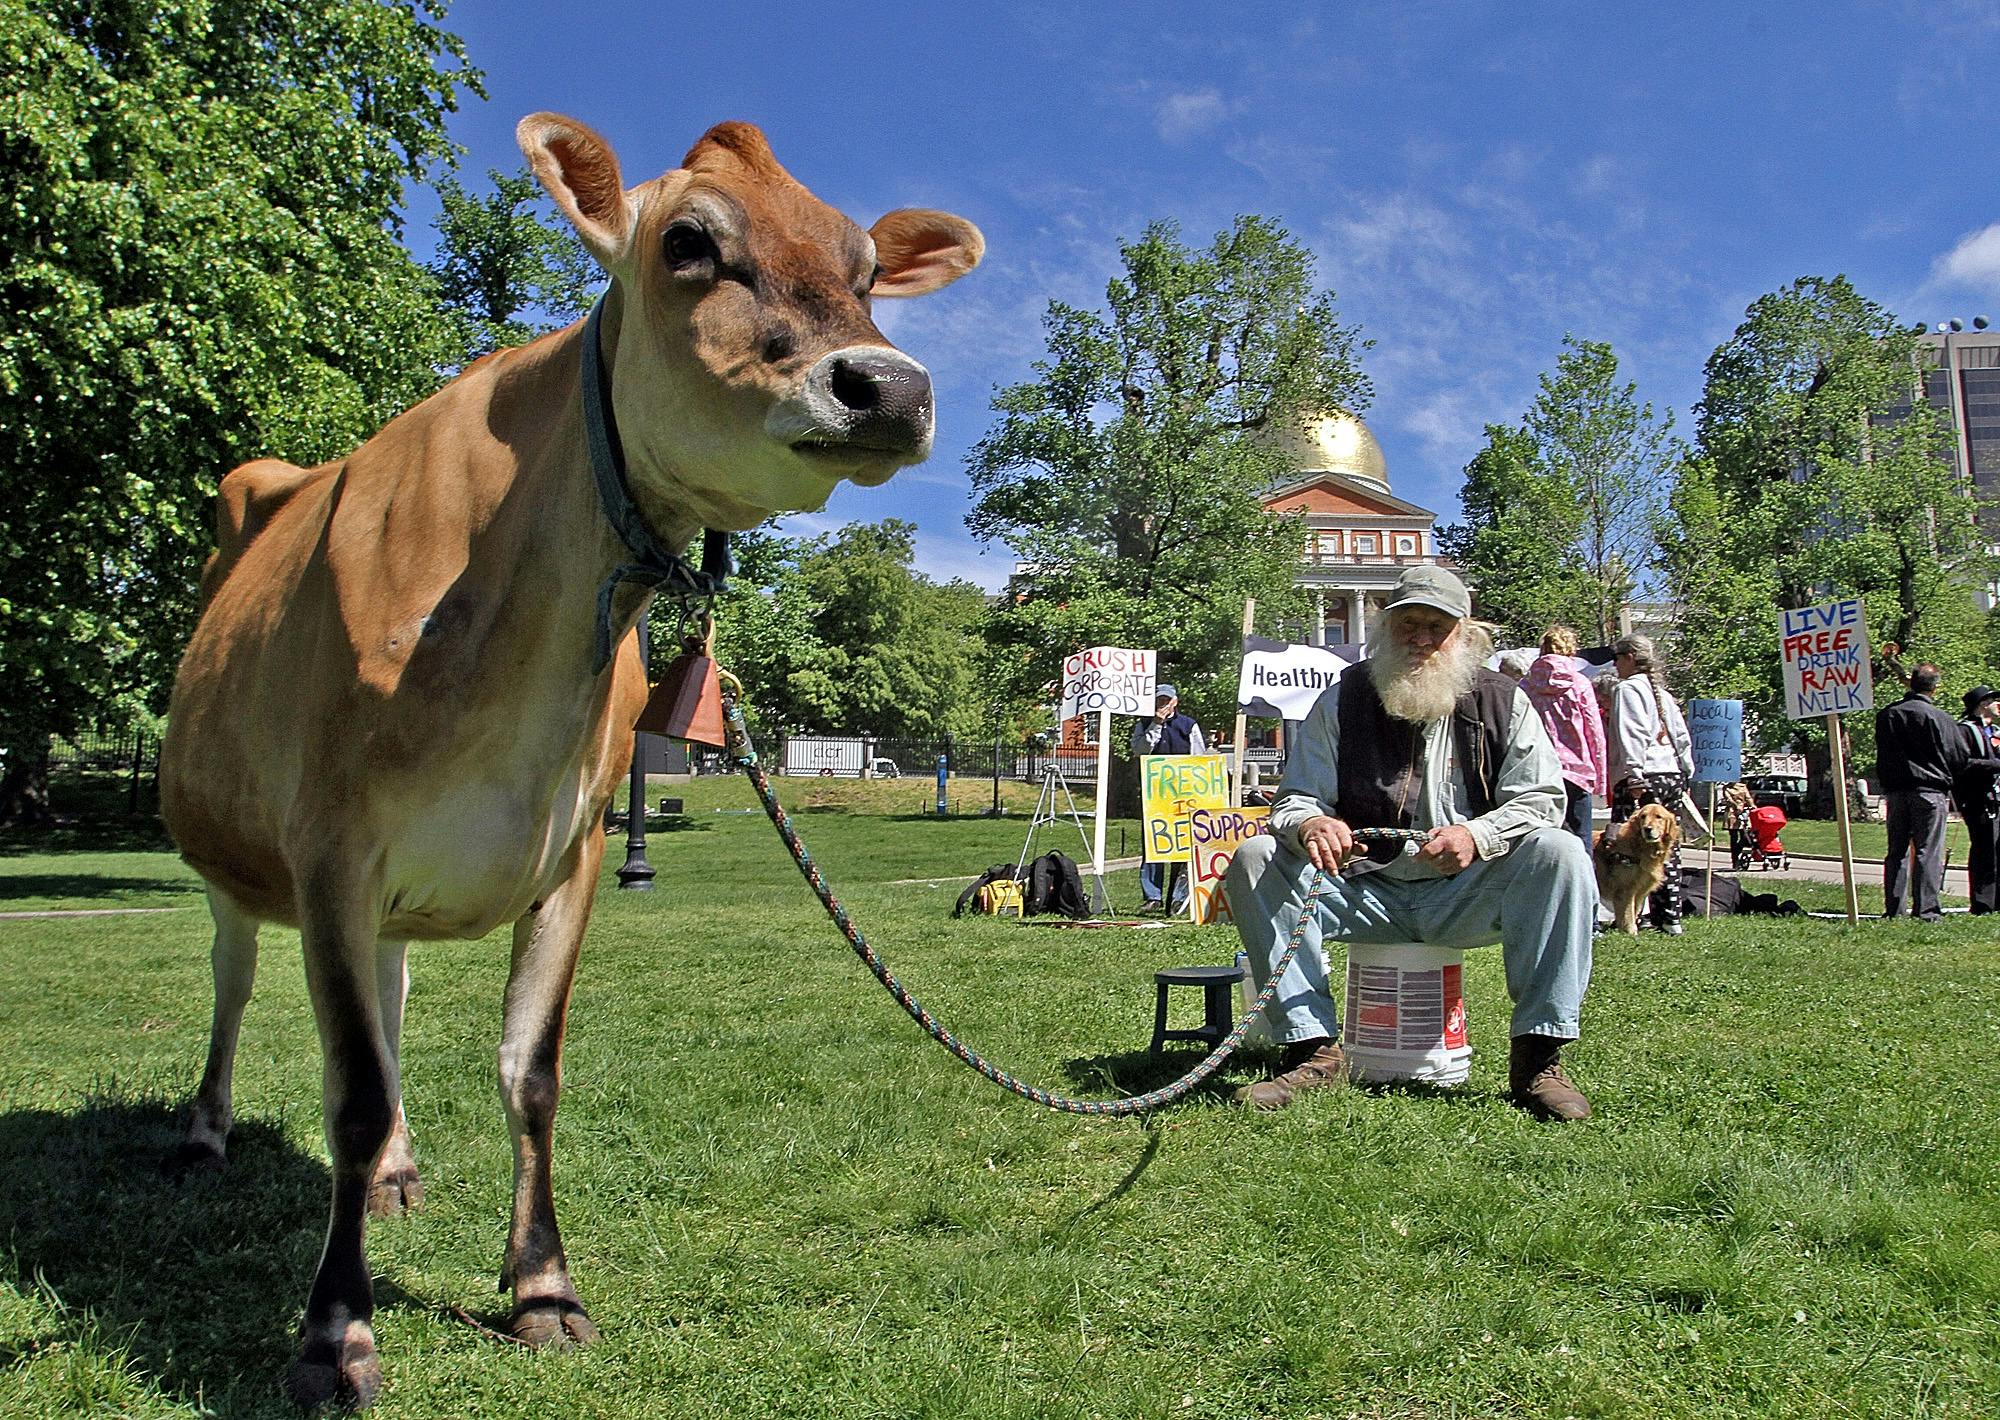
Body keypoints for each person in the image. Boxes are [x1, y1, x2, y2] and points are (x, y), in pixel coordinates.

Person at [1223, 565, 1595, 1122]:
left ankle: (1538, 1059)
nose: (1421, 639)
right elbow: (1296, 797)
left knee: (1561, 852)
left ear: (1462, 635)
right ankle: (1312, 1051)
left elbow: (1543, 799)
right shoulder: (1343, 699)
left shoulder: (1504, 700)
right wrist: (1311, 825)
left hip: (1467, 894)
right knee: (1255, 858)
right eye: (1408, 625)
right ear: (1384, 627)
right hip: (1364, 888)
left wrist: (1478, 834)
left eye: (1437, 628)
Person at [1606, 635, 1695, 935]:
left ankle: (1632, 915)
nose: (1615, 664)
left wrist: (1633, 774)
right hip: (1671, 772)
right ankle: (1669, 916)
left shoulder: (1629, 690)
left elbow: (1632, 733)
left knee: (1630, 849)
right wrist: (1686, 770)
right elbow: (1681, 736)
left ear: (1630, 656)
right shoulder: (1663, 695)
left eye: (1617, 657)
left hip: (1645, 776)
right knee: (1666, 848)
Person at [1874, 663, 1972, 922]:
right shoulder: (1940, 717)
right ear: (1935, 688)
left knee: (1897, 850)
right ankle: (1927, 910)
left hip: (1896, 791)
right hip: (1930, 790)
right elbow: (1959, 755)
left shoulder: (1888, 715)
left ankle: (1894, 909)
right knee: (1928, 850)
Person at [1522, 625, 1609, 850]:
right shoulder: (1580, 684)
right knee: (1581, 841)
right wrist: (1599, 777)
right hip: (1576, 772)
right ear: (1572, 652)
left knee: (1541, 839)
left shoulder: (1525, 686)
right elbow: (1594, 731)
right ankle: (1581, 883)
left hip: (1538, 770)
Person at [1130, 682, 1205, 912]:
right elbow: (1140, 751)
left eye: (1166, 700)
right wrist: (1156, 724)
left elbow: (1198, 758)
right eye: (1159, 700)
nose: (1162, 704)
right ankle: (1152, 896)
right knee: (1153, 846)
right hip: (1154, 795)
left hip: (1183, 796)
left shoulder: (1188, 725)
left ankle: (1178, 897)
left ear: (1175, 701)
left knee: (1182, 847)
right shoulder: (1143, 724)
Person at [1950, 685, 2000, 915]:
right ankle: (1982, 903)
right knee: (1984, 849)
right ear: (1982, 704)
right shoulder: (1965, 730)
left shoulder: (1995, 731)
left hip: (1996, 797)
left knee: (1996, 848)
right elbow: (1962, 764)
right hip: (1977, 798)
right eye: (1994, 700)